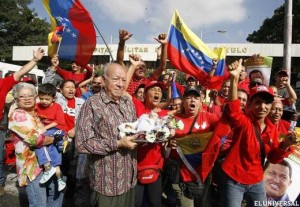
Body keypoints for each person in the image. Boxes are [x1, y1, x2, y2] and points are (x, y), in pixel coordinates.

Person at [221, 59, 298, 207]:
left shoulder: (272, 130)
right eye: (257, 102)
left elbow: (273, 158)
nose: (262, 107)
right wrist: (233, 78)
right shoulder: (243, 122)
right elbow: (233, 107)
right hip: (234, 179)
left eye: (266, 102)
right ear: (250, 105)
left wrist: (285, 145)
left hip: (256, 180)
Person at [75, 63, 138, 207]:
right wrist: (117, 143)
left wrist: (150, 134)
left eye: (123, 80)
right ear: (104, 80)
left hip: (129, 180)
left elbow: (134, 130)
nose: (120, 84)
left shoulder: (127, 102)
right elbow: (82, 143)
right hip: (107, 184)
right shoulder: (92, 104)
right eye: (116, 79)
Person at [8, 82, 64, 206]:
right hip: (32, 167)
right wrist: (56, 138)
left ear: (35, 97)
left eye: (30, 95)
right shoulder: (18, 115)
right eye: (22, 96)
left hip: (48, 163)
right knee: (39, 203)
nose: (27, 98)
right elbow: (37, 140)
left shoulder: (36, 112)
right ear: (16, 99)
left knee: (56, 194)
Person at [0, 47, 45, 196]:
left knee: (0, 157)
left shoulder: (2, 84)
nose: (26, 98)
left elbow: (19, 73)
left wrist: (35, 60)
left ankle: (0, 184)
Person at [168, 87, 219, 207]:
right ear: (183, 101)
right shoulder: (174, 119)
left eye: (196, 98)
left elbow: (225, 128)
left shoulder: (209, 118)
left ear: (200, 102)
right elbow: (165, 138)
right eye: (188, 97)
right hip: (183, 175)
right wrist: (170, 142)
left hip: (203, 174)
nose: (192, 100)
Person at [35, 83, 67, 191]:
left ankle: (47, 167)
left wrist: (44, 128)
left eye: (47, 99)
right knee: (54, 154)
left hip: (58, 130)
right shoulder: (38, 106)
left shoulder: (57, 107)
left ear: (54, 98)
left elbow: (58, 121)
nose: (43, 101)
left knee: (39, 142)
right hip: (48, 131)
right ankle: (59, 179)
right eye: (41, 98)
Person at [117, 30, 168, 95]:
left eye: (144, 67)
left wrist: (164, 45)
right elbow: (120, 61)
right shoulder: (127, 78)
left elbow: (162, 66)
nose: (141, 68)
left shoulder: (149, 81)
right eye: (138, 66)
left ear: (146, 70)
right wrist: (122, 42)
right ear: (133, 67)